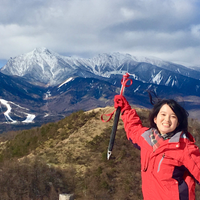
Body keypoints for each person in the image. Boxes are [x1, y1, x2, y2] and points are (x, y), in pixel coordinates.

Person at [114, 95, 200, 200]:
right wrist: (124, 109)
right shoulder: (146, 138)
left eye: (173, 116)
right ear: (155, 118)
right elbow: (133, 128)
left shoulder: (185, 149)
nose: (167, 120)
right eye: (163, 114)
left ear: (178, 122)